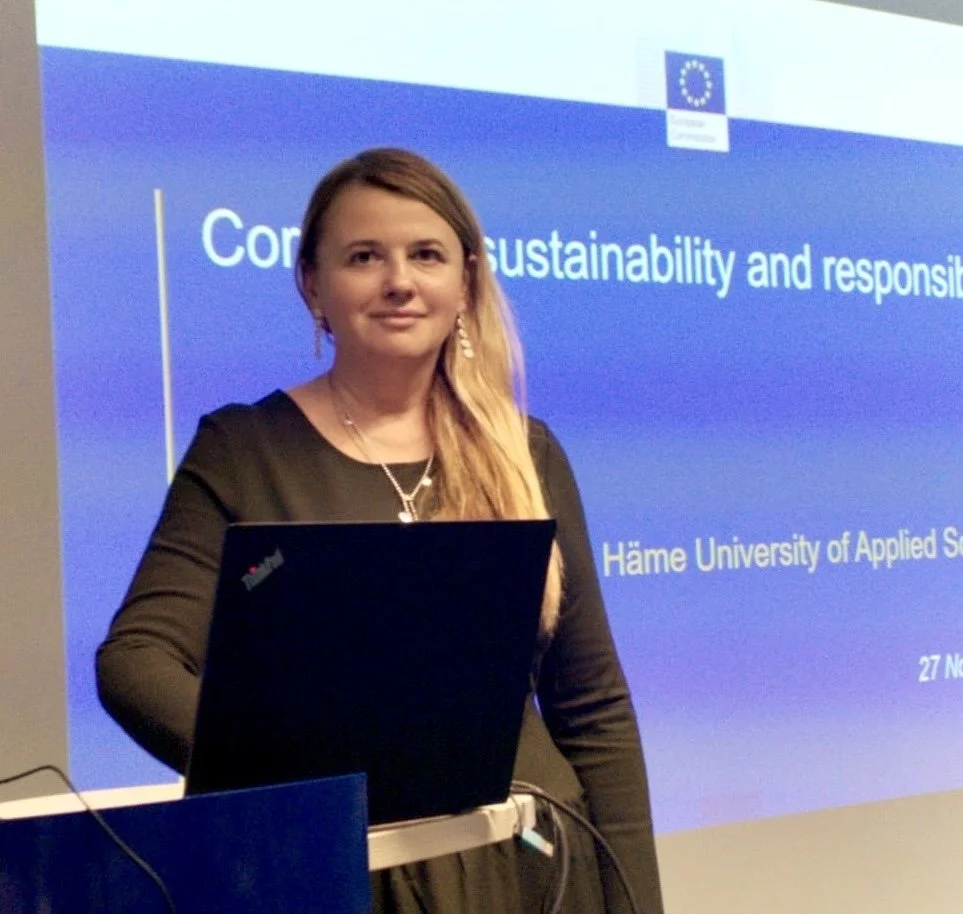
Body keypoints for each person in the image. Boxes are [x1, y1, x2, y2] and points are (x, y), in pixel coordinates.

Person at [96, 148, 665, 914]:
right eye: (364, 256)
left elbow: (593, 709)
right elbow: (136, 660)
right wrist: (291, 770)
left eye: (426, 255)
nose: (399, 281)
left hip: (531, 870)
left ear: (466, 282)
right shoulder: (243, 451)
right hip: (336, 873)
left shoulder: (526, 452)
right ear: (312, 285)